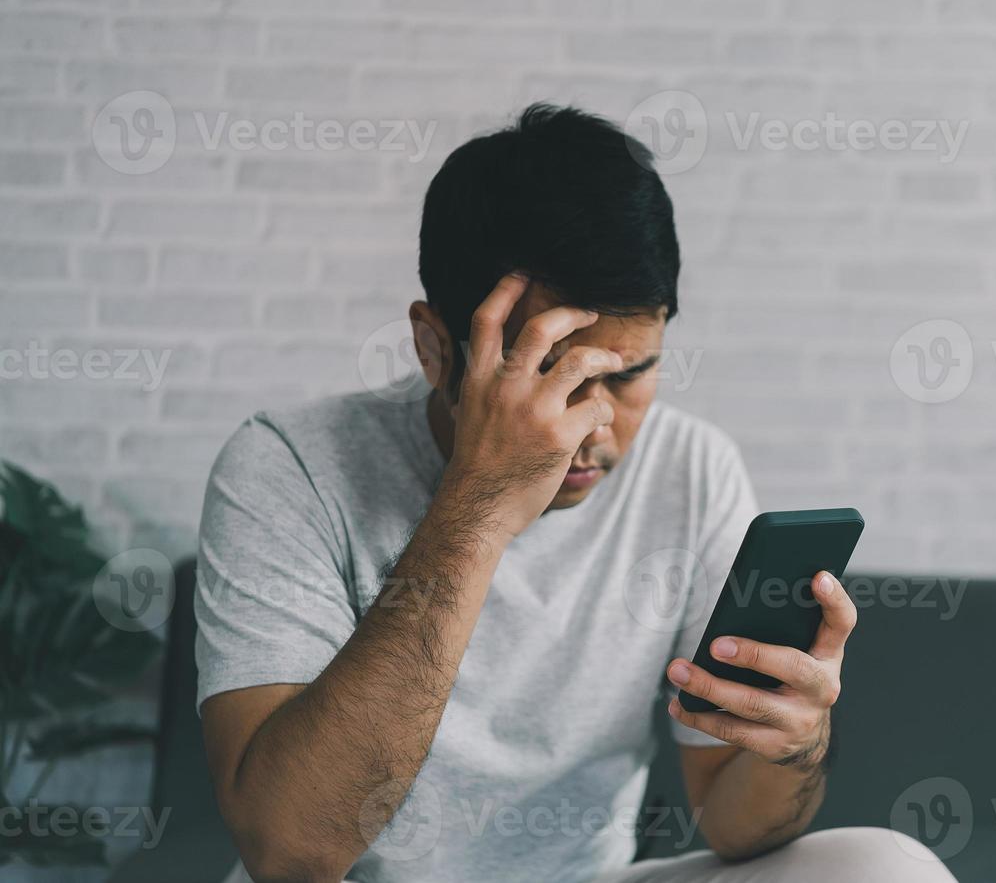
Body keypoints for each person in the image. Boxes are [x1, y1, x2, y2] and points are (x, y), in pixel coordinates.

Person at [196, 104, 956, 883]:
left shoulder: (691, 468)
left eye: (628, 376)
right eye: (551, 376)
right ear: (434, 347)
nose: (594, 429)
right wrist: (479, 506)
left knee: (890, 865)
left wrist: (795, 742)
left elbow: (736, 824)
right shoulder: (289, 466)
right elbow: (290, 851)